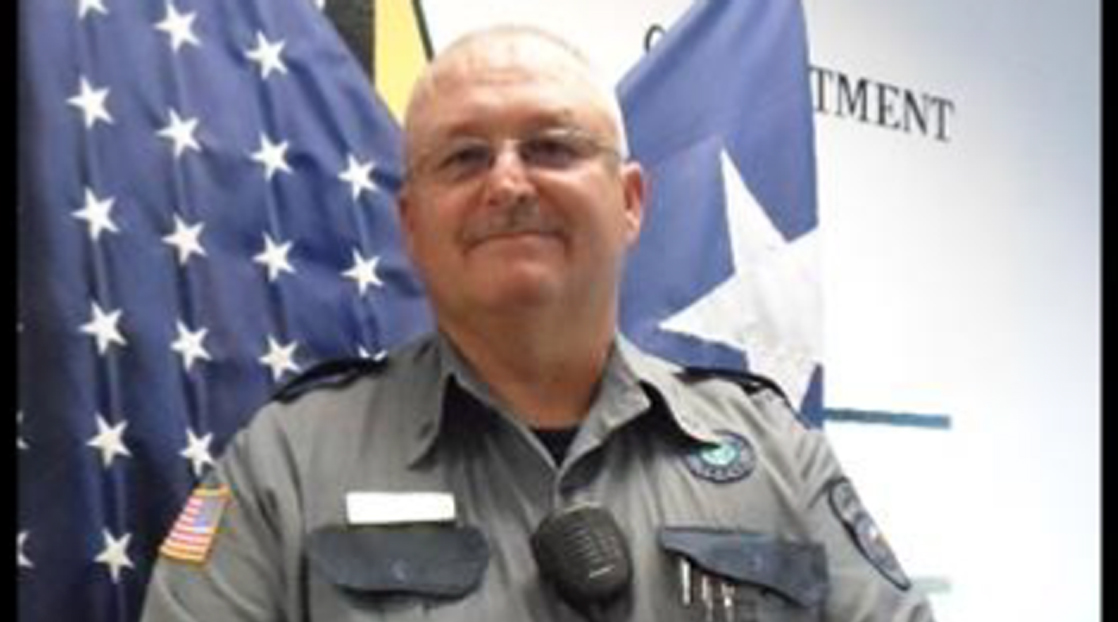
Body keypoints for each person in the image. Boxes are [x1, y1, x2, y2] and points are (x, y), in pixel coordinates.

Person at [141, 24, 936, 622]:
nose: (509, 183)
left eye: (552, 148)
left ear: (629, 202)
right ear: (411, 225)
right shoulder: (288, 463)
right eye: (463, 157)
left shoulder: (773, 455)